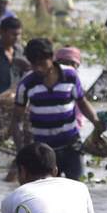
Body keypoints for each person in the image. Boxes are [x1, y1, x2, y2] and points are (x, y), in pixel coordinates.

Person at [15, 37, 99, 181]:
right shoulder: (26, 83)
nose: (38, 68)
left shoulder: (70, 75)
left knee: (76, 186)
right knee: (47, 191)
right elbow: (16, 120)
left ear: (52, 57)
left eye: (42, 63)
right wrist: (21, 150)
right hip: (43, 151)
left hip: (71, 145)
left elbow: (82, 103)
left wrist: (96, 122)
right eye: (34, 64)